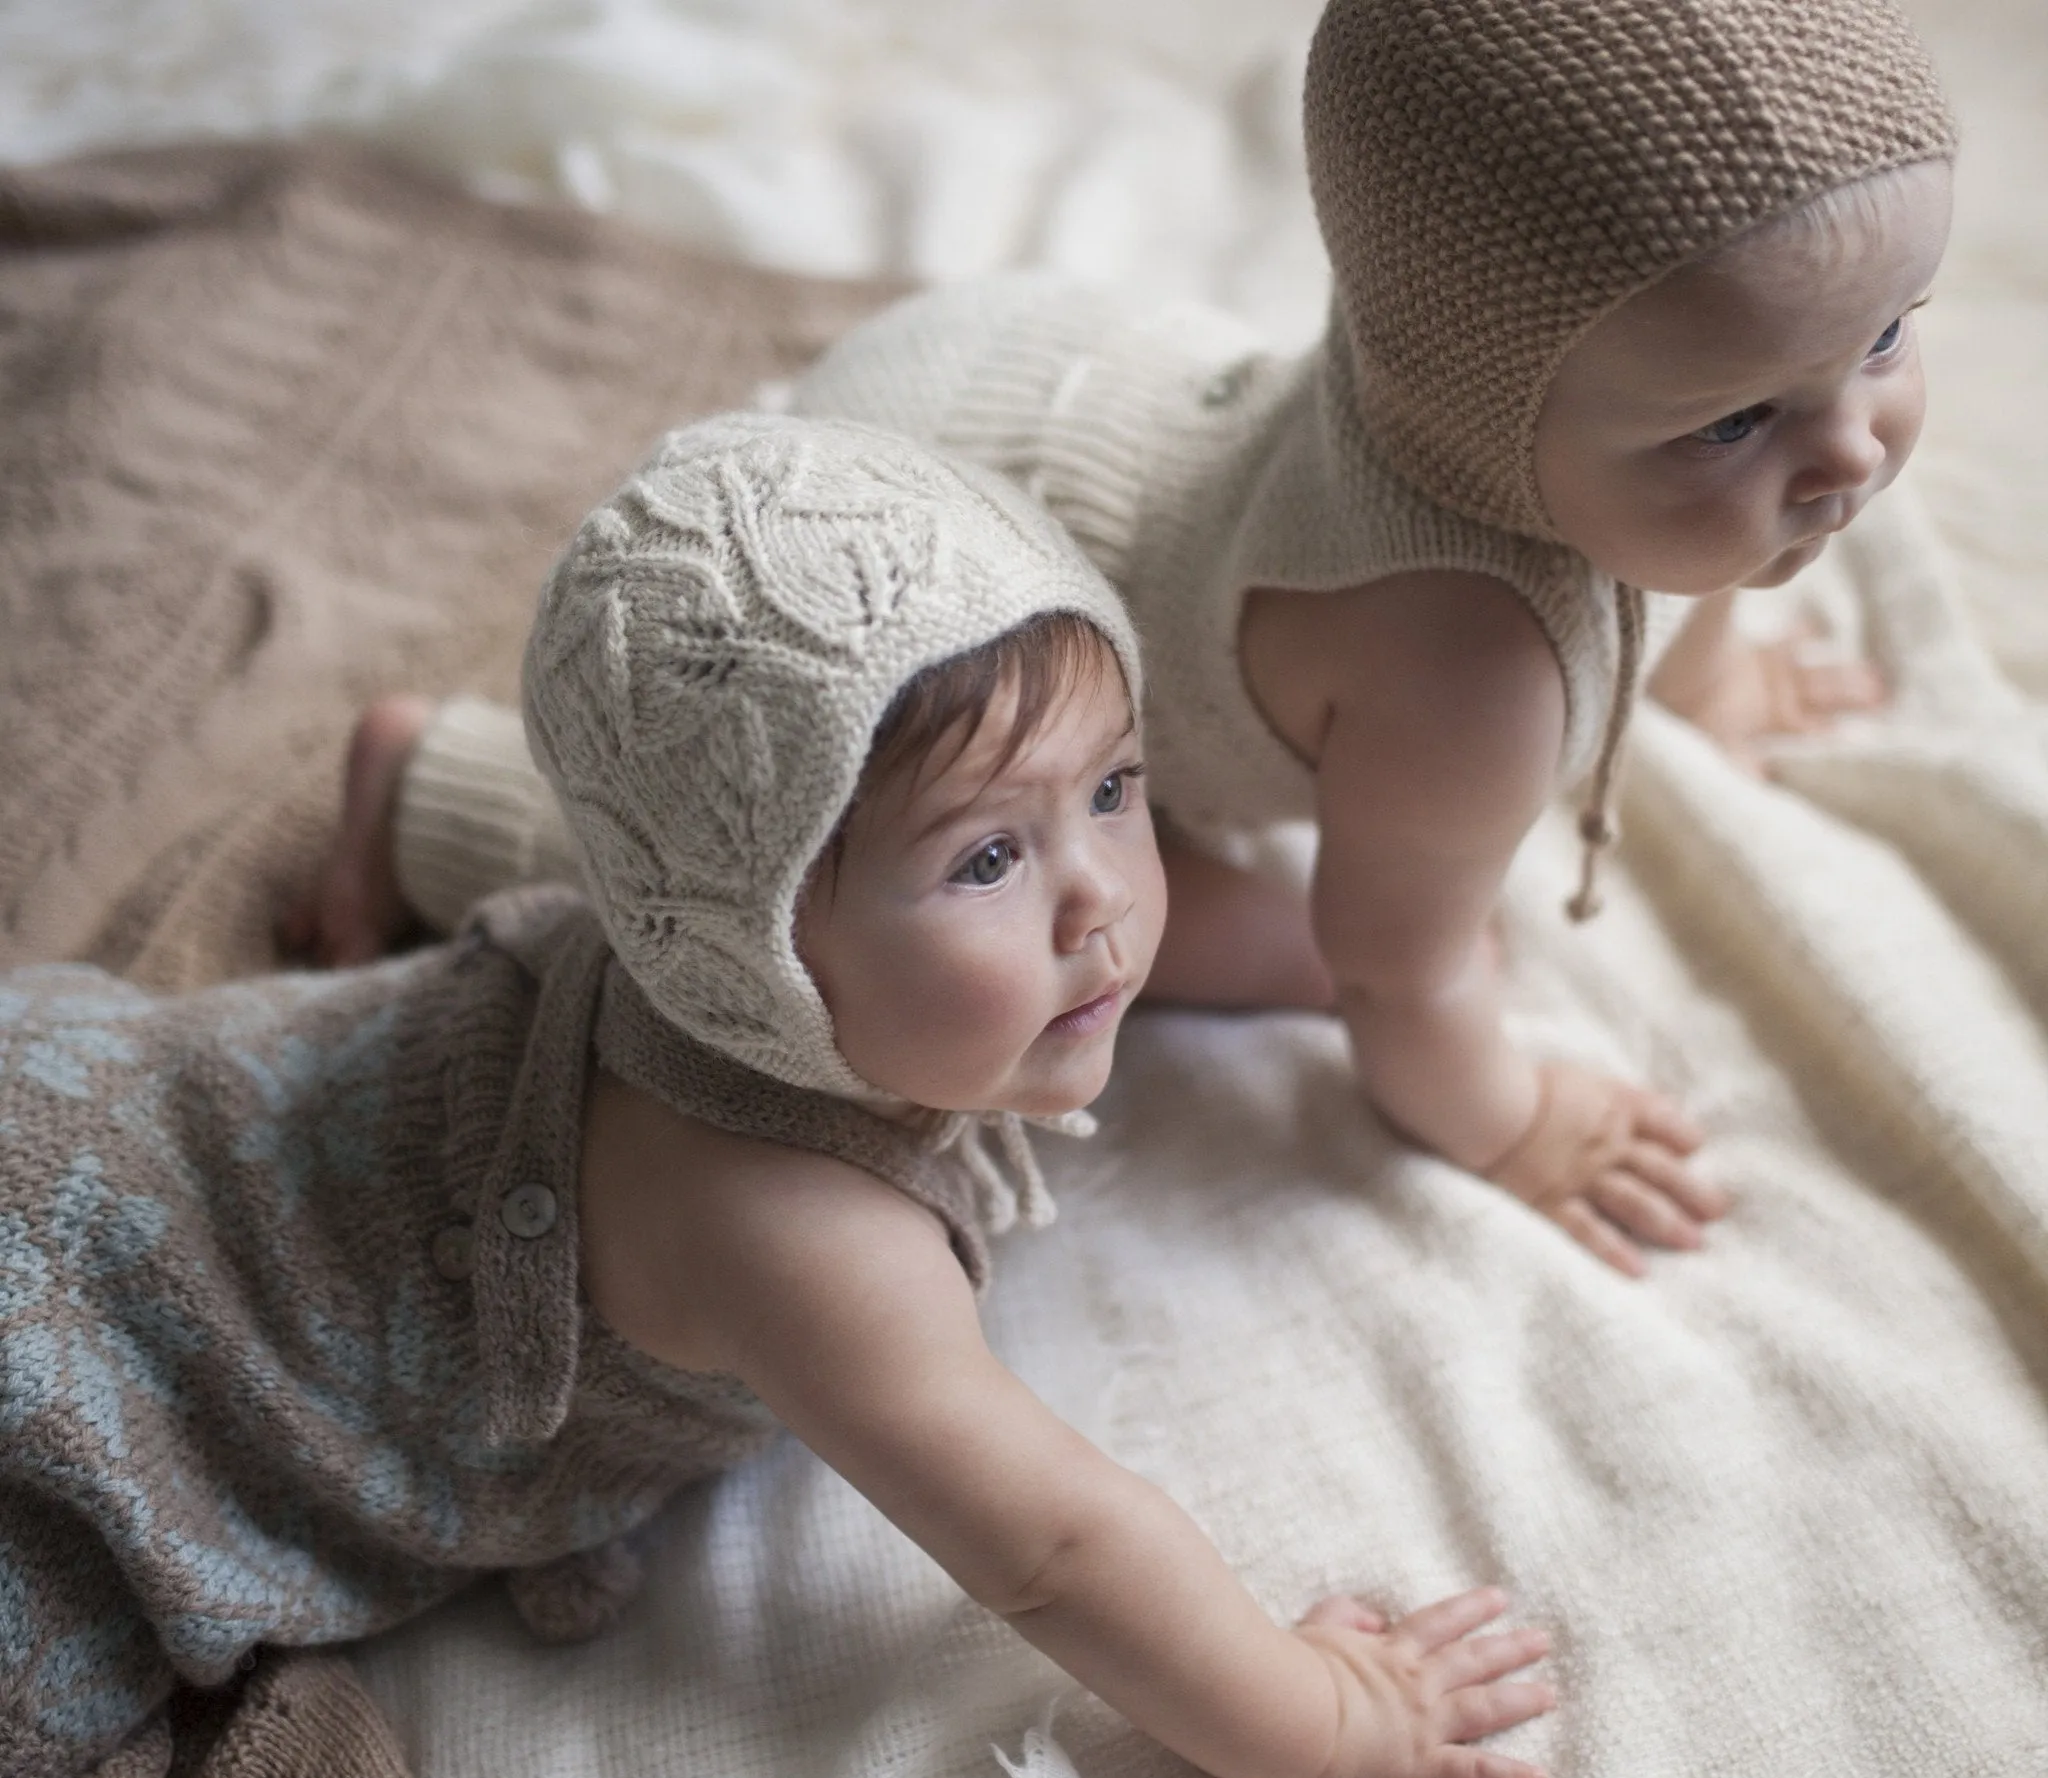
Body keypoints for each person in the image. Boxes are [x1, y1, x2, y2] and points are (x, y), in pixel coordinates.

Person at [0, 416, 1553, 1778]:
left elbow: (1146, 920)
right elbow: (1058, 1545)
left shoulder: (785, 944)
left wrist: (1354, 964)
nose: (1101, 906)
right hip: (121, 1341)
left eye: (1117, 786)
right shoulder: (790, 1222)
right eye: (986, 862)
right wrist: (1331, 1721)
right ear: (753, 933)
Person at [294, 0, 1957, 1281]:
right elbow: (1406, 968)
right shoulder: (1473, 670)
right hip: (943, 547)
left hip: (1028, 361)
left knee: (1224, 913)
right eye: (1740, 422)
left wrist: (1719, 668)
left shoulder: (1553, 452)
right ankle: (427, 784)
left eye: (1888, 338)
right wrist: (1513, 1119)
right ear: (1475, 386)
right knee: (816, 898)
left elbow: (1671, 556)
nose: (1855, 451)